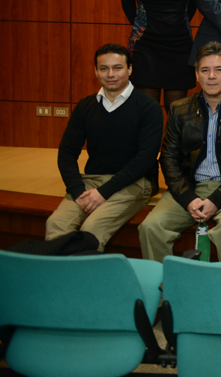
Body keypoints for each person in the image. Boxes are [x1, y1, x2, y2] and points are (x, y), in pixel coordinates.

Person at [139, 42, 221, 262]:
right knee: (151, 227)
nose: (211, 76)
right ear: (197, 75)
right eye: (205, 70)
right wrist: (187, 198)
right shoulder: (179, 109)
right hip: (188, 187)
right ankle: (163, 294)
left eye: (219, 70)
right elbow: (168, 158)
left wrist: (217, 198)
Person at [46, 44, 163, 251]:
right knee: (55, 225)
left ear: (129, 70)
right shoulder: (85, 106)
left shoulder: (148, 107)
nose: (111, 74)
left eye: (117, 68)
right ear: (96, 71)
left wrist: (104, 192)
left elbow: (145, 158)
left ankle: (85, 283)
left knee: (91, 230)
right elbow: (66, 152)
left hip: (133, 183)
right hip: (90, 183)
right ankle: (60, 282)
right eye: (104, 68)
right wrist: (77, 191)